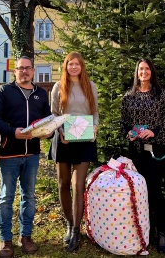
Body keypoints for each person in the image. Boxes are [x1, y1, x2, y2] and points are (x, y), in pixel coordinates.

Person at [0, 56, 51, 258]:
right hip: (9, 152)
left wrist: (49, 130)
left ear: (33, 71)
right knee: (6, 197)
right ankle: (5, 239)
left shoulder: (40, 93)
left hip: (32, 153)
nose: (24, 72)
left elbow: (47, 117)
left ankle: (26, 236)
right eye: (20, 68)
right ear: (14, 71)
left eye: (27, 68)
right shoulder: (4, 91)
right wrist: (11, 132)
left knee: (29, 197)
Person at [120, 58, 165, 254]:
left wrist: (154, 132)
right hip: (136, 151)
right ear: (137, 72)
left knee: (154, 189)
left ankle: (162, 232)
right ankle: (145, 231)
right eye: (141, 69)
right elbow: (123, 121)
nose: (144, 72)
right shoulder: (129, 96)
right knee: (139, 191)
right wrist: (128, 132)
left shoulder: (161, 95)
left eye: (147, 69)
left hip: (155, 149)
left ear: (152, 71)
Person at [48, 51, 99, 253]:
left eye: (77, 64)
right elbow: (54, 114)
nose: (74, 67)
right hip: (63, 139)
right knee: (63, 184)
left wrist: (95, 128)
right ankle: (69, 224)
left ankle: (77, 230)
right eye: (70, 64)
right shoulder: (58, 87)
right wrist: (60, 130)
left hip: (85, 139)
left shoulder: (90, 86)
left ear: (81, 66)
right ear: (66, 66)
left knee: (78, 185)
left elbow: (94, 112)